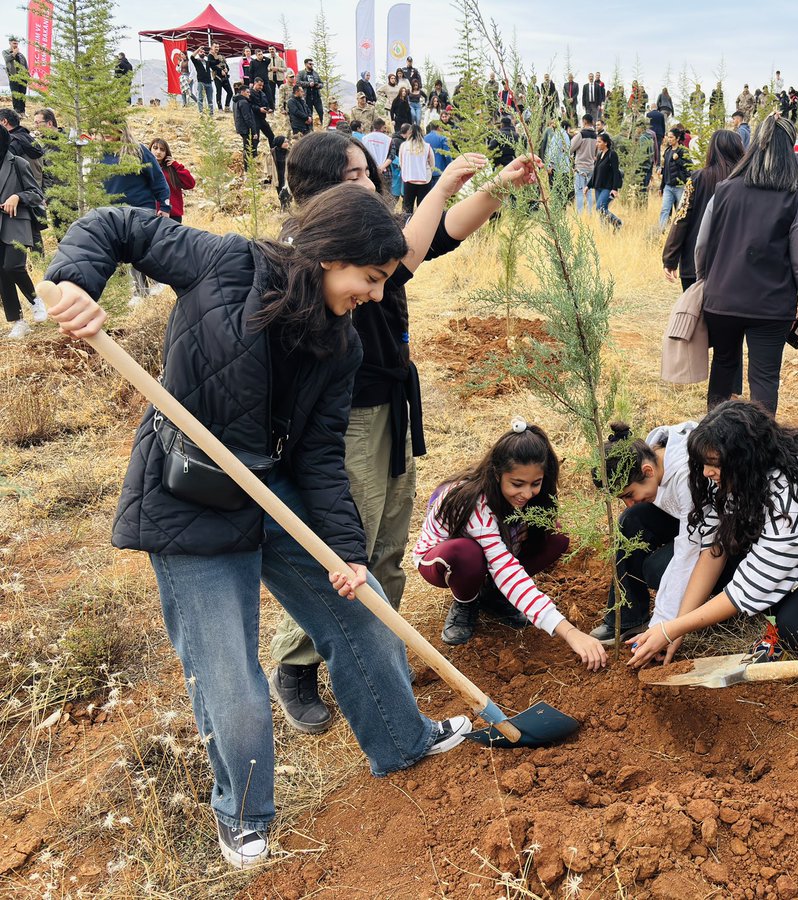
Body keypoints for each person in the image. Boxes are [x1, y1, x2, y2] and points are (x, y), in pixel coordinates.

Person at [44, 184, 477, 869]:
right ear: (333, 255)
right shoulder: (223, 263)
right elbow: (116, 224)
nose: (372, 294)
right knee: (231, 677)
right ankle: (243, 817)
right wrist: (71, 282)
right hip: (187, 496)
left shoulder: (342, 348)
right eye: (370, 278)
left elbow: (321, 457)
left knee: (359, 611)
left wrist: (344, 553)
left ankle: (403, 741)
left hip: (271, 489)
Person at [268, 130, 540, 731]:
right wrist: (443, 185)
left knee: (389, 537)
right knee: (347, 544)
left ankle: (376, 649)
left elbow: (435, 236)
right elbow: (415, 247)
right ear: (317, 187)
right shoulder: (309, 249)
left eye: (368, 171)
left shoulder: (366, 236)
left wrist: (493, 188)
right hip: (346, 418)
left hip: (391, 404)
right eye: (355, 174)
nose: (370, 181)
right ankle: (295, 662)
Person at [627, 400, 798, 668]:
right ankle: (785, 605)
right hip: (797, 549)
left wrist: (669, 630)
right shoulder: (743, 476)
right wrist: (676, 628)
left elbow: (747, 586)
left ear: (743, 457)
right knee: (669, 568)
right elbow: (715, 548)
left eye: (714, 464)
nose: (707, 472)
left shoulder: (793, 499)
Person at [413, 419, 608, 671]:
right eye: (517, 484)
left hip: (494, 553)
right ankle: (466, 602)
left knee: (555, 536)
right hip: (441, 559)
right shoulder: (475, 504)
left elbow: (508, 561)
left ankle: (492, 595)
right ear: (497, 473)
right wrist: (570, 632)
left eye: (535, 483)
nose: (526, 494)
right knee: (466, 554)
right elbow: (507, 570)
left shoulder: (529, 496)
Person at [695, 115, 798, 415]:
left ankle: (714, 441)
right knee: (764, 379)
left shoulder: (724, 190)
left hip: (721, 299)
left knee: (723, 364)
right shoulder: (791, 197)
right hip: (771, 308)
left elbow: (702, 246)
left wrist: (705, 282)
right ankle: (759, 450)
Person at [589, 421, 699, 643]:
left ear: (647, 471)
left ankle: (705, 602)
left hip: (722, 539)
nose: (629, 502)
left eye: (630, 494)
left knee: (655, 569)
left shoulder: (686, 476)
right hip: (687, 520)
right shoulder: (653, 453)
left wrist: (664, 624)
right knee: (632, 519)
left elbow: (690, 550)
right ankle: (629, 620)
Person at [663, 129, 743, 294]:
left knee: (694, 316)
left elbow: (681, 218)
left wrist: (670, 258)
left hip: (695, 264)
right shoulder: (747, 182)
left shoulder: (698, 178)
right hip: (735, 266)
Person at [102, 126, 170, 302]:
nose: (106, 131)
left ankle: (156, 283)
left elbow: (158, 178)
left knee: (141, 249)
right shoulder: (99, 154)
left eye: (109, 126)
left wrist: (165, 205)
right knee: (128, 253)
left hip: (141, 208)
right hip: (114, 213)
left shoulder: (138, 151)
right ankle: (141, 290)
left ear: (120, 128)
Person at [0, 125, 45, 339]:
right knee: (1, 273)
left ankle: (36, 300)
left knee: (13, 266)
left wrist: (17, 197)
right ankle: (18, 322)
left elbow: (36, 194)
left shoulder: (18, 163)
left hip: (16, 222)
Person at [149, 138, 195, 223]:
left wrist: (177, 166)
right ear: (150, 149)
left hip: (173, 215)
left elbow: (190, 184)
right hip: (150, 213)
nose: (158, 152)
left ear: (166, 152)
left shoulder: (172, 169)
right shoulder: (145, 168)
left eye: (162, 149)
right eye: (155, 148)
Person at [587, 132, 623, 229]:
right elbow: (595, 172)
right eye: (597, 142)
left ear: (605, 143)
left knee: (600, 208)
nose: (597, 144)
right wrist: (588, 185)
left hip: (608, 187)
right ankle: (604, 232)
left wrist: (614, 189)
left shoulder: (612, 154)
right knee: (602, 211)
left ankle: (617, 222)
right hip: (598, 187)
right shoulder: (599, 155)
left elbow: (616, 172)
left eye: (599, 142)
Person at [0, 108, 45, 185]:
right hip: (36, 188)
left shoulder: (12, 143)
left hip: (22, 191)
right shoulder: (27, 137)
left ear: (4, 121)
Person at [398, 123, 435, 214]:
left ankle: (406, 224)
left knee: (407, 206)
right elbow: (432, 164)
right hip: (424, 180)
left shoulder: (404, 146)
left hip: (409, 179)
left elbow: (401, 162)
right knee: (423, 207)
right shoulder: (427, 146)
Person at [659, 127, 689, 230]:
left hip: (679, 186)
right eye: (668, 137)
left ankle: (679, 233)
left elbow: (688, 168)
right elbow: (666, 170)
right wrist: (661, 187)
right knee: (665, 210)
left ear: (677, 138)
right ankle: (661, 232)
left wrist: (678, 160)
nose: (669, 139)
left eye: (671, 137)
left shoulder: (683, 151)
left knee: (680, 211)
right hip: (668, 186)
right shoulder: (667, 151)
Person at [570, 114, 598, 213]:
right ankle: (590, 214)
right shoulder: (595, 135)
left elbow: (571, 147)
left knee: (579, 192)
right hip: (591, 166)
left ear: (584, 121)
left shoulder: (581, 134)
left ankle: (580, 214)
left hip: (580, 167)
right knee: (589, 192)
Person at [233, 83, 260, 173]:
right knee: (248, 148)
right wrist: (254, 131)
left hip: (241, 128)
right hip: (246, 129)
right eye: (248, 92)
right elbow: (247, 118)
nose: (249, 94)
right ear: (243, 92)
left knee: (247, 147)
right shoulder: (244, 102)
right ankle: (247, 169)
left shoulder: (237, 101)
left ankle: (248, 167)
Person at [3, 37, 29, 115]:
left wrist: (28, 76)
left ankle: (22, 111)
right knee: (15, 94)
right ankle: (16, 111)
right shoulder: (5, 52)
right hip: (13, 77)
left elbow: (25, 65)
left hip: (23, 77)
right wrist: (14, 53)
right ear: (10, 43)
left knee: (22, 94)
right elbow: (7, 59)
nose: (16, 45)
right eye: (14, 43)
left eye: (17, 43)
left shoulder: (21, 55)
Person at [250, 78, 276, 149]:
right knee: (255, 139)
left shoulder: (262, 93)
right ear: (255, 83)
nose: (261, 87)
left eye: (262, 86)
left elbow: (265, 103)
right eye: (259, 85)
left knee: (271, 136)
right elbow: (250, 106)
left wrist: (268, 109)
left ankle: (273, 153)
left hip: (262, 118)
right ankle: (253, 156)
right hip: (254, 119)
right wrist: (259, 109)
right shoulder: (250, 93)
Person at [425, 120, 452, 186]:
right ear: (439, 127)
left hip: (427, 170)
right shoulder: (442, 138)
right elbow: (447, 155)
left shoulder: (424, 138)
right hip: (440, 169)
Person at [298, 58, 324, 124]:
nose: (311, 65)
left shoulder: (315, 73)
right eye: (310, 64)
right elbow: (298, 82)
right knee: (309, 113)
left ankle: (324, 126)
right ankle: (310, 129)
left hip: (316, 96)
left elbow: (322, 83)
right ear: (306, 64)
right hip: (307, 96)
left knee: (321, 112)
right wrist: (308, 84)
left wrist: (318, 85)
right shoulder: (301, 73)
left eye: (312, 64)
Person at [190, 46, 215, 114]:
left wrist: (213, 52)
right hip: (201, 82)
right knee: (200, 98)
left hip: (209, 82)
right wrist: (198, 49)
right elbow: (192, 57)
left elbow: (215, 62)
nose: (203, 53)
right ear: (198, 53)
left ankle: (211, 113)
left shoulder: (207, 62)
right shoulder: (197, 61)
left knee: (210, 99)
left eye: (204, 52)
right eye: (201, 52)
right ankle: (201, 112)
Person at [210, 46, 234, 112]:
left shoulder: (222, 56)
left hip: (225, 77)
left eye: (217, 47)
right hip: (217, 77)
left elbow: (227, 66)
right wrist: (220, 70)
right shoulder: (210, 56)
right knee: (219, 92)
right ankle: (220, 108)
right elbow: (212, 66)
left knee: (230, 92)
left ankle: (227, 106)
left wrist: (226, 70)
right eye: (215, 47)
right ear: (212, 48)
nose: (217, 49)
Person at [270, 135, 290, 210]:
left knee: (286, 193)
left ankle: (287, 208)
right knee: (280, 193)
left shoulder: (289, 152)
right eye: (285, 142)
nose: (287, 143)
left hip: (286, 176)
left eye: (287, 141)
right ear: (280, 143)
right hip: (277, 176)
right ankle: (284, 208)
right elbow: (268, 165)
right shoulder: (273, 153)